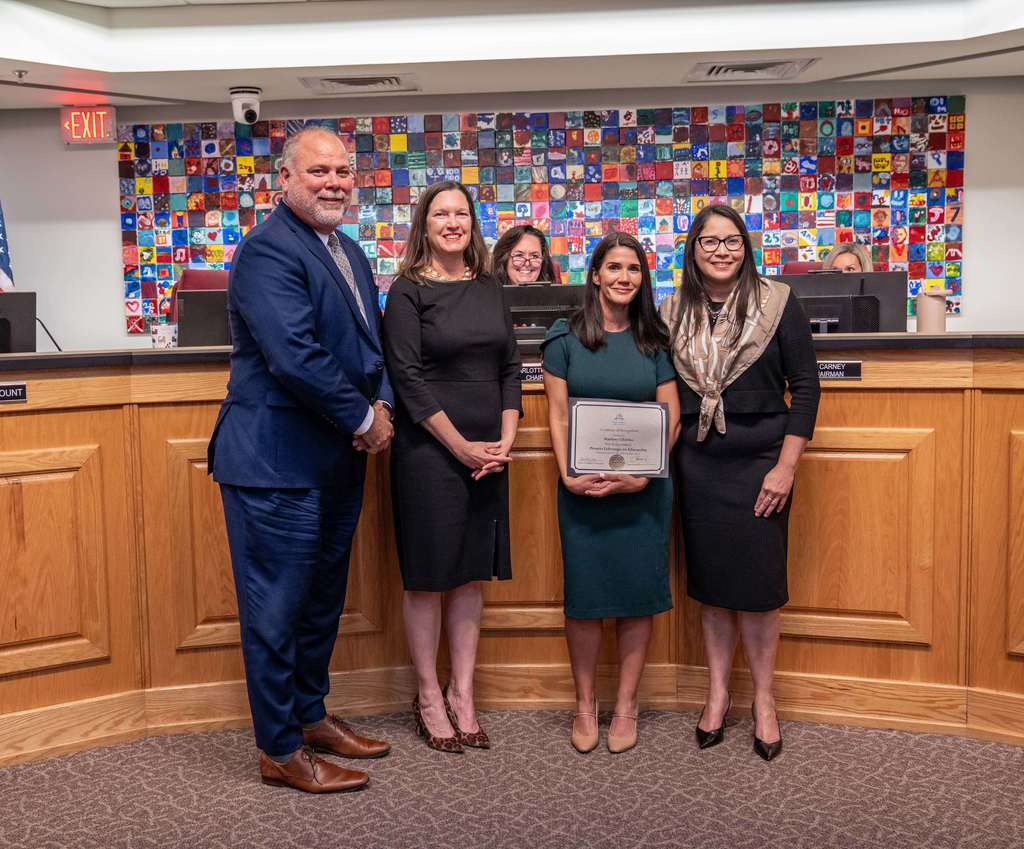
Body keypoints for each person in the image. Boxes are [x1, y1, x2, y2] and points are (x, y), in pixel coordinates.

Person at [208, 126, 395, 793]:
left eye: (343, 170)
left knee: (320, 604)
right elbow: (294, 356)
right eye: (318, 171)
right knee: (277, 610)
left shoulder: (346, 248)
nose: (334, 182)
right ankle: (281, 749)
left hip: (335, 461)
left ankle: (310, 715)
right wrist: (364, 417)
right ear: (282, 180)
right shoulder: (266, 251)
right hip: (275, 462)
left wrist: (382, 403)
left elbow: (371, 345)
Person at [659, 204, 820, 762]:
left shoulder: (777, 302)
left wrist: (787, 466)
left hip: (762, 463)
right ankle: (718, 695)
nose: (722, 250)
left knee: (757, 592)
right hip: (698, 465)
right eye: (710, 242)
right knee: (712, 590)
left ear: (746, 247)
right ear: (694, 250)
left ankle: (766, 702)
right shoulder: (671, 310)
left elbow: (806, 387)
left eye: (732, 241)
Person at [382, 181, 522, 753]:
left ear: (473, 222)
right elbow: (406, 379)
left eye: (461, 212)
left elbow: (510, 368)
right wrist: (460, 445)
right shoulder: (407, 291)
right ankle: (427, 696)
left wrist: (504, 439)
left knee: (469, 576)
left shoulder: (490, 286)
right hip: (430, 453)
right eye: (441, 213)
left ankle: (462, 693)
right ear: (424, 223)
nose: (452, 222)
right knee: (429, 577)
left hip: (489, 455)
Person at [541, 232, 680, 755]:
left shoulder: (654, 339)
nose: (625, 277)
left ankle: (625, 704)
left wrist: (646, 474)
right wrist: (567, 473)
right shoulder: (564, 337)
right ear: (595, 274)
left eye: (634, 269)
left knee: (636, 597)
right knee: (586, 599)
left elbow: (672, 414)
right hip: (583, 488)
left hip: (643, 490)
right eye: (614, 267)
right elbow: (556, 413)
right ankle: (584, 703)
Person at [492, 224, 558, 285]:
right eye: (519, 255)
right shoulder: (487, 295)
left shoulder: (557, 296)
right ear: (504, 259)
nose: (527, 264)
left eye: (534, 256)